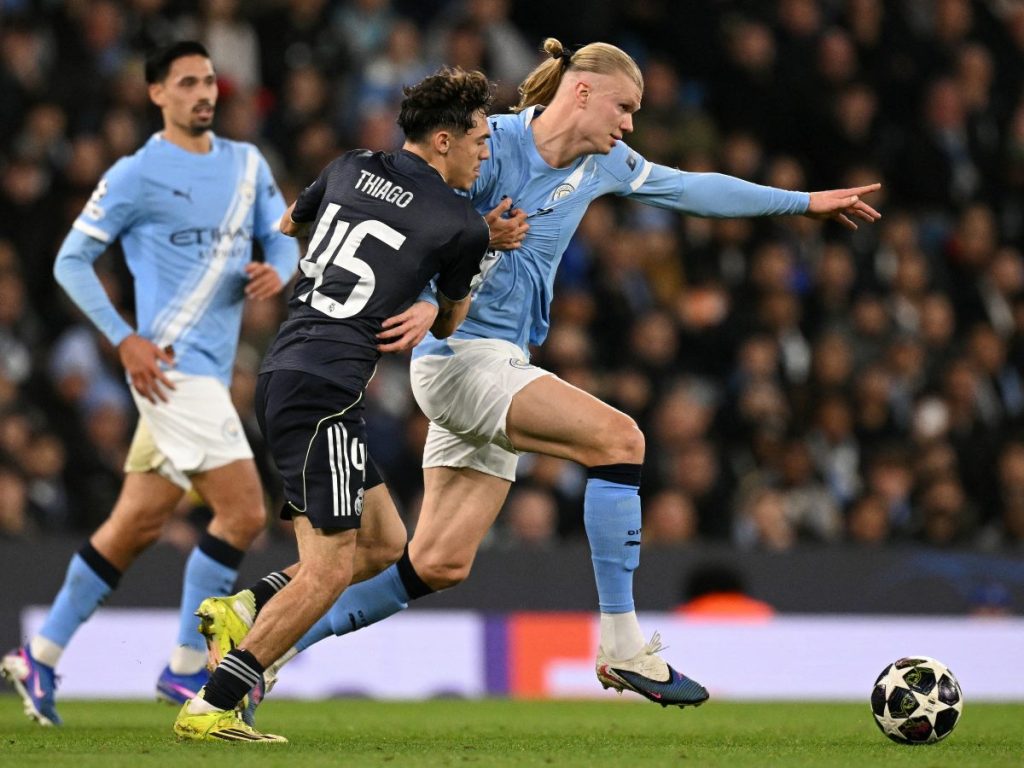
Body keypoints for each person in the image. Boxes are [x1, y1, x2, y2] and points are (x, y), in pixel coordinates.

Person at [206, 37, 882, 714]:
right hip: (459, 356)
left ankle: (261, 644)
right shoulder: (485, 144)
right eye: (625, 108)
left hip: (503, 364)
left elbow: (692, 189)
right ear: (582, 92)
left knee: (437, 562)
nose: (630, 125)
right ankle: (621, 644)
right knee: (620, 441)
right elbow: (408, 222)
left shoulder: (605, 164)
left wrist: (804, 203)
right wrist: (422, 301)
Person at [172, 65, 493, 742]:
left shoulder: (349, 166)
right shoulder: (461, 221)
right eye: (479, 140)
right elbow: (447, 323)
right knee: (330, 568)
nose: (484, 153)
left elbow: (292, 222)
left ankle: (244, 605)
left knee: (385, 542)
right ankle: (215, 702)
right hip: (325, 388)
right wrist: (453, 271)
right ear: (442, 140)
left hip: (287, 370)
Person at [0, 41, 301, 727]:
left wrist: (277, 270)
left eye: (209, 81)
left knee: (133, 524)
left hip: (206, 378)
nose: (205, 92)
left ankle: (40, 655)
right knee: (246, 513)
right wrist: (123, 338)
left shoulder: (247, 164)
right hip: (169, 372)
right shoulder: (136, 174)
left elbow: (284, 235)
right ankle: (186, 668)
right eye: (187, 82)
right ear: (156, 95)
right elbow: (71, 261)